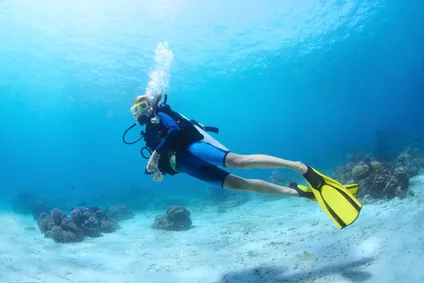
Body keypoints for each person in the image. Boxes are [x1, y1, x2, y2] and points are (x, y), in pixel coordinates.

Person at [128, 90, 362, 229]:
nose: (141, 112)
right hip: (187, 166)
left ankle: (299, 167)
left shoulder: (160, 115)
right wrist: (160, 169)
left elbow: (175, 134)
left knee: (241, 161)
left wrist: (157, 154)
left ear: (151, 105)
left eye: (144, 105)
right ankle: (298, 193)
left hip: (194, 150)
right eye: (136, 110)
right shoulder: (146, 132)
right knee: (240, 185)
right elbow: (164, 155)